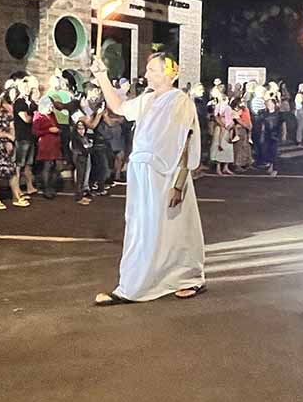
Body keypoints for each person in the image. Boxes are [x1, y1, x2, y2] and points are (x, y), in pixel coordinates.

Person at [89, 53, 206, 305]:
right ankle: (134, 284)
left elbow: (184, 142)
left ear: (168, 73)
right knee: (141, 229)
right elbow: (118, 107)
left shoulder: (180, 101)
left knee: (176, 231)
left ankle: (189, 278)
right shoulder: (147, 99)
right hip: (142, 173)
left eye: (152, 69)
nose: (146, 74)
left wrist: (179, 183)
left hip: (168, 176)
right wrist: (102, 76)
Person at [12, 76, 39, 196]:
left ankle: (29, 186)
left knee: (28, 164)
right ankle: (16, 188)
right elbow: (26, 119)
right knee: (19, 164)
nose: (27, 89)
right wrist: (36, 116)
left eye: (28, 87)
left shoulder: (30, 103)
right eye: (24, 87)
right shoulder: (19, 102)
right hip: (22, 137)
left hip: (30, 136)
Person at [32, 96, 62, 199]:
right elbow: (35, 132)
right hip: (45, 144)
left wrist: (57, 130)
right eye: (49, 106)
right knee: (47, 166)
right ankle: (46, 188)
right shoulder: (38, 115)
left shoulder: (52, 115)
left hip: (55, 144)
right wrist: (49, 130)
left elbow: (56, 126)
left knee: (53, 166)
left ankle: (51, 186)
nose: (51, 108)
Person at [210, 89, 235, 175]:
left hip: (228, 128)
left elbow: (230, 117)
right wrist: (222, 125)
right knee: (219, 146)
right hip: (220, 128)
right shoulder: (218, 106)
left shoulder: (228, 108)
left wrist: (230, 125)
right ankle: (218, 167)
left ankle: (225, 167)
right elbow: (216, 117)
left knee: (228, 147)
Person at [70, 119, 93, 205]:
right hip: (79, 159)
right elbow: (81, 149)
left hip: (84, 158)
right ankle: (78, 197)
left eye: (83, 128)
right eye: (79, 128)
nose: (81, 130)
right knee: (79, 179)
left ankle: (81, 196)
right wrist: (87, 148)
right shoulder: (76, 138)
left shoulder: (84, 137)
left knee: (83, 178)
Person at [259, 97, 282, 176]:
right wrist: (262, 134)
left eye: (270, 104)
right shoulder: (264, 114)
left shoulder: (278, 114)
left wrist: (284, 134)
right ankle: (271, 165)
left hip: (275, 135)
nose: (268, 105)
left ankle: (275, 169)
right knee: (266, 150)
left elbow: (283, 124)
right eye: (267, 104)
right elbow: (263, 125)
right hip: (267, 134)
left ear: (274, 104)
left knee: (274, 151)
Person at [232, 98, 254, 171]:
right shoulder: (235, 111)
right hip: (239, 130)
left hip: (245, 130)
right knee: (239, 147)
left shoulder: (245, 110)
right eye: (241, 102)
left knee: (246, 146)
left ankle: (247, 163)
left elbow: (248, 118)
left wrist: (249, 126)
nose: (243, 103)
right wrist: (247, 126)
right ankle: (238, 164)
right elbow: (238, 120)